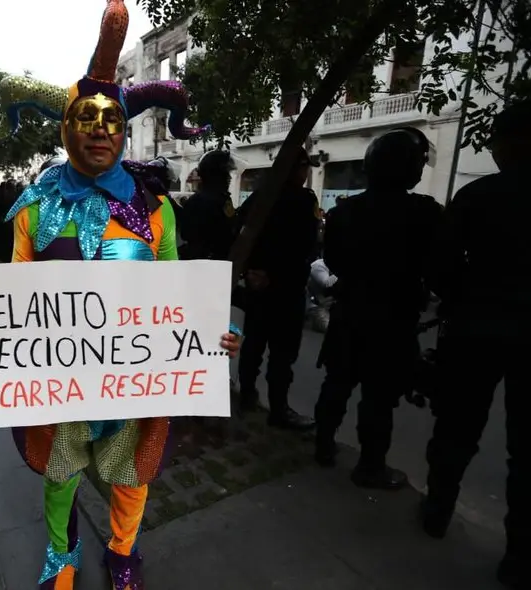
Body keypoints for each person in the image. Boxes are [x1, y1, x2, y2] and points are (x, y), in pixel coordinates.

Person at [0, 2, 240, 587]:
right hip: (61, 382)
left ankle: (123, 551)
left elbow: (177, 292)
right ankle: (61, 556)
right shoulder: (34, 210)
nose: (100, 130)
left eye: (112, 121)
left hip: (133, 379)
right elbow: (13, 300)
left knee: (131, 475)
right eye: (86, 118)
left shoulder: (155, 210)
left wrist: (213, 334)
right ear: (66, 126)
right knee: (60, 475)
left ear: (125, 131)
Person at [420, 100, 531, 589]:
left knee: (456, 428)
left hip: (476, 330)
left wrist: (466, 299)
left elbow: (440, 266)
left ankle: (437, 508)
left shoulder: (479, 197)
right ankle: (522, 554)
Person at [312, 127, 444, 489]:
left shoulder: (344, 212)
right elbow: (438, 269)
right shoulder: (425, 214)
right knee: (378, 400)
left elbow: (334, 261)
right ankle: (370, 466)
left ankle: (323, 445)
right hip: (392, 322)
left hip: (350, 314)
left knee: (336, 384)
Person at [235, 147, 320, 428]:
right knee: (282, 355)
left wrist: (251, 270)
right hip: (286, 288)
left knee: (254, 346)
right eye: (305, 166)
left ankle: (247, 395)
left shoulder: (261, 196)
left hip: (259, 285)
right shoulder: (302, 200)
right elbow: (306, 246)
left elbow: (238, 231)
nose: (306, 173)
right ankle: (279, 409)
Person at [178, 150, 237, 261]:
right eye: (225, 174)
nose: (229, 178)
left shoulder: (214, 199)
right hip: (207, 263)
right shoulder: (211, 200)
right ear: (216, 175)